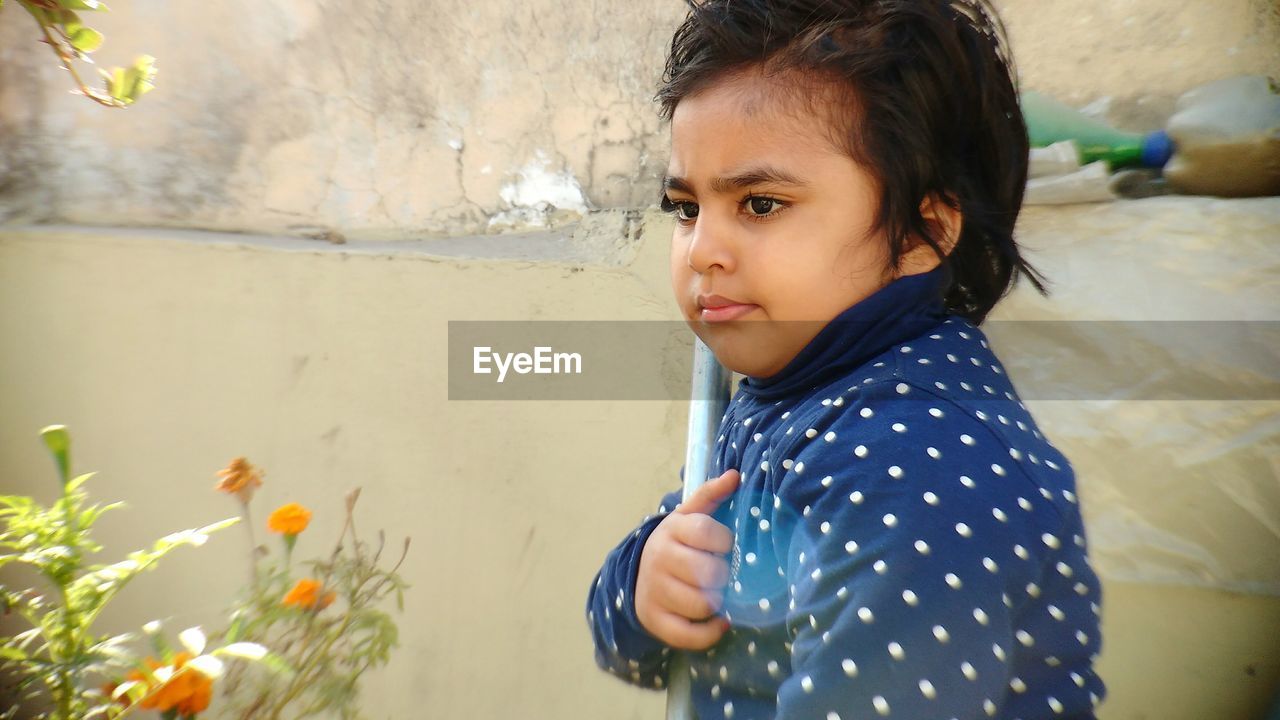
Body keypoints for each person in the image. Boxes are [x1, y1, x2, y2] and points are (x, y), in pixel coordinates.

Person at [585, 0, 1106, 717]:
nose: (703, 249)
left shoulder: (923, 463)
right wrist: (647, 586)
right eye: (687, 207)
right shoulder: (787, 387)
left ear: (922, 233)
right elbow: (650, 654)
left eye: (760, 205)